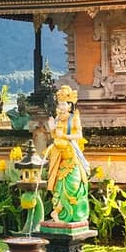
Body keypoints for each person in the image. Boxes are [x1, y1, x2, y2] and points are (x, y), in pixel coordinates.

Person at [43, 85, 90, 226]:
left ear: (70, 105)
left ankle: (75, 215)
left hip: (72, 156)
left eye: (64, 104)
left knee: (74, 185)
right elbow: (54, 136)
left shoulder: (73, 118)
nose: (61, 106)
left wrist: (64, 135)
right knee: (59, 187)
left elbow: (79, 135)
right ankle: (58, 213)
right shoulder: (57, 119)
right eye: (59, 104)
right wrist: (51, 128)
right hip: (60, 157)